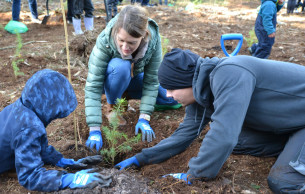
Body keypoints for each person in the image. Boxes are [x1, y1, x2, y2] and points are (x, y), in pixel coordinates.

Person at [115, 48, 305, 193]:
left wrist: (194, 174)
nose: (168, 95)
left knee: (283, 182)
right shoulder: (201, 91)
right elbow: (185, 134)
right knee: (238, 142)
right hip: (293, 122)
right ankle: (294, 150)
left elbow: (224, 135)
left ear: (187, 82)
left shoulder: (229, 73)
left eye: (172, 88)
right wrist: (142, 158)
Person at [0, 69, 111, 191]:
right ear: (50, 105)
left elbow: (37, 146)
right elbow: (30, 177)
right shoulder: (29, 128)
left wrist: (62, 161)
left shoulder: (23, 107)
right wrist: (72, 179)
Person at [84, 5, 181, 152]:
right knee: (121, 66)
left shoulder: (153, 41)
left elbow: (151, 81)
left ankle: (128, 95)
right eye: (121, 40)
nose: (124, 47)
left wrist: (144, 117)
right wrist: (94, 129)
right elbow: (93, 86)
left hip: (134, 78)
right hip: (111, 79)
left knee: (171, 99)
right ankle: (112, 107)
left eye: (132, 43)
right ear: (116, 31)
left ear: (144, 35)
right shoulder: (105, 40)